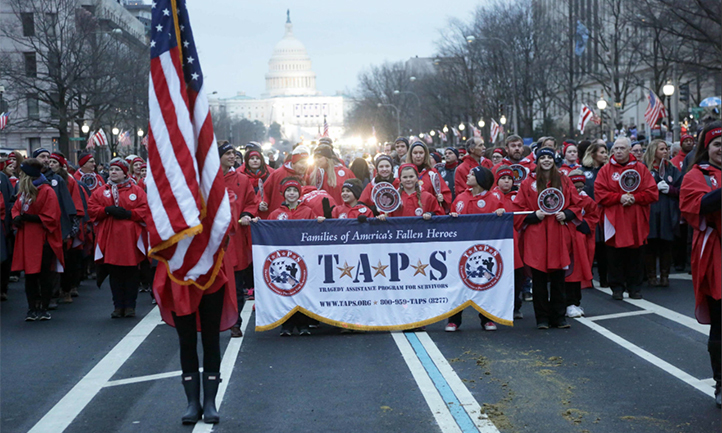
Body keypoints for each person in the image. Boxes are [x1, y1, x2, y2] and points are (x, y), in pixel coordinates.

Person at [515, 147, 582, 329]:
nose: (546, 160)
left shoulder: (564, 180)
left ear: (554, 160)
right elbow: (518, 210)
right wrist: (533, 216)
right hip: (536, 235)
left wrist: (566, 214)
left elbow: (576, 204)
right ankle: (542, 318)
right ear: (537, 160)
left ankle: (559, 317)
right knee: (539, 280)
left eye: (549, 157)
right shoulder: (527, 183)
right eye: (542, 157)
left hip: (558, 233)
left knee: (559, 278)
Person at [679, 121, 721, 408]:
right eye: (718, 144)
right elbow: (697, 206)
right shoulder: (697, 174)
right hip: (716, 254)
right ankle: (721, 382)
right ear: (707, 147)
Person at [594, 137, 658, 300]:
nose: (619, 151)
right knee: (614, 255)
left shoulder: (641, 169)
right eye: (616, 148)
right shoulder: (605, 170)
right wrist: (619, 198)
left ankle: (634, 287)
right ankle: (617, 287)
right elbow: (599, 194)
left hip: (635, 218)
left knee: (635, 255)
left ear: (630, 150)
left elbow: (652, 192)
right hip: (614, 219)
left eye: (622, 148)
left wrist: (635, 198)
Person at [445, 166, 505, 332]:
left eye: (472, 174)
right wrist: (453, 217)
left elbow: (501, 220)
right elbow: (452, 216)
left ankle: (487, 318)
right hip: (462, 248)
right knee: (458, 283)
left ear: (480, 179)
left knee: (484, 284)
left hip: (483, 250)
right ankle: (454, 320)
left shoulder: (493, 198)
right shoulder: (461, 197)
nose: (468, 176)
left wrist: (501, 213)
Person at [88, 158, 149, 318]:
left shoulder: (136, 191)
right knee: (115, 273)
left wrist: (130, 213)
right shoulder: (101, 191)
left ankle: (130, 306)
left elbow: (145, 210)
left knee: (131, 273)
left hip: (130, 239)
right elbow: (92, 209)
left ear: (124, 173)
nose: (113, 172)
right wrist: (106, 210)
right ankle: (118, 306)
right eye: (112, 169)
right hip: (111, 238)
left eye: (117, 170)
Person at [11, 158, 64, 321]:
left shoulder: (47, 191)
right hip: (27, 238)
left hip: (42, 239)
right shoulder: (23, 192)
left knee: (43, 274)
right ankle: (32, 307)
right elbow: (16, 209)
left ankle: (43, 307)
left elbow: (52, 216)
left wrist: (32, 218)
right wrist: (16, 217)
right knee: (30, 275)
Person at [267, 177, 320, 336]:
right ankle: (287, 325)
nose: (291, 193)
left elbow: (315, 231)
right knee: (285, 291)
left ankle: (303, 324)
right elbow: (267, 232)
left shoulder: (308, 211)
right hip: (283, 260)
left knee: (302, 290)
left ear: (299, 193)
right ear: (284, 193)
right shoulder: (276, 214)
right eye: (289, 190)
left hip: (303, 258)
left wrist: (320, 221)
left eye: (295, 191)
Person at [219, 142, 259, 338]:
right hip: (214, 241)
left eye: (234, 154)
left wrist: (246, 214)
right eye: (228, 154)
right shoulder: (207, 180)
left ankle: (235, 322)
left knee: (236, 285)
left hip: (235, 241)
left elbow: (252, 202)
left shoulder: (242, 179)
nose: (232, 157)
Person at [643, 140, 682, 287]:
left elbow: (682, 190)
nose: (665, 152)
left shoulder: (672, 169)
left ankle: (665, 275)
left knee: (666, 244)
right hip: (651, 211)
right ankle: (651, 275)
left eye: (666, 149)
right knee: (651, 245)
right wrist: (654, 188)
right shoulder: (644, 168)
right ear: (654, 151)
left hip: (667, 211)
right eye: (661, 149)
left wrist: (670, 190)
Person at [48, 153, 85, 304]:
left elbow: (75, 205)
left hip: (65, 225)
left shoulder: (69, 181)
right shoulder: (43, 179)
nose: (51, 164)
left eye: (54, 162)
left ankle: (67, 288)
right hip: (50, 224)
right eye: (49, 161)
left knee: (67, 259)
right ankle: (52, 291)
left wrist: (72, 228)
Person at [564, 170, 600, 318]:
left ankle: (575, 302)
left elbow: (593, 216)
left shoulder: (587, 200)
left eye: (581, 187)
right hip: (567, 240)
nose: (578, 190)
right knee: (568, 272)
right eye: (575, 186)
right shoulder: (565, 199)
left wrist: (585, 224)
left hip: (580, 241)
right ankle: (567, 303)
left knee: (577, 272)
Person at [492, 165, 526, 318]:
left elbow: (522, 216)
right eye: (503, 179)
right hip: (497, 241)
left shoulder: (517, 196)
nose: (506, 182)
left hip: (515, 239)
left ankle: (515, 306)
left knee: (517, 273)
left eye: (509, 179)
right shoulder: (492, 196)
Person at [581, 141, 610, 286]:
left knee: (604, 247)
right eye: (602, 152)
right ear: (593, 154)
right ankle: (588, 276)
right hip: (588, 213)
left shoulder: (609, 170)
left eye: (606, 152)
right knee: (589, 246)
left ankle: (605, 278)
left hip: (605, 212)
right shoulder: (583, 171)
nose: (605, 155)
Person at [259, 146, 310, 218]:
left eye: (306, 163)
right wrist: (262, 203)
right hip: (279, 218)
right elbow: (264, 191)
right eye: (301, 163)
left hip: (300, 218)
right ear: (293, 163)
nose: (304, 166)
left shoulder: (306, 175)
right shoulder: (278, 174)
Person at [378, 164, 443, 219]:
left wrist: (431, 214)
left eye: (411, 176)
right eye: (405, 177)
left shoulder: (428, 197)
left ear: (417, 178)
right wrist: (383, 216)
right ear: (400, 179)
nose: (408, 179)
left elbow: (440, 216)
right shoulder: (393, 198)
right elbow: (385, 215)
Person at [406, 141, 452, 210]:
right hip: (410, 212)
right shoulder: (405, 172)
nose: (418, 156)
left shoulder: (432, 172)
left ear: (425, 155)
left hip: (429, 212)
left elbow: (445, 193)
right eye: (415, 153)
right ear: (411, 155)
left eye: (421, 153)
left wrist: (442, 198)